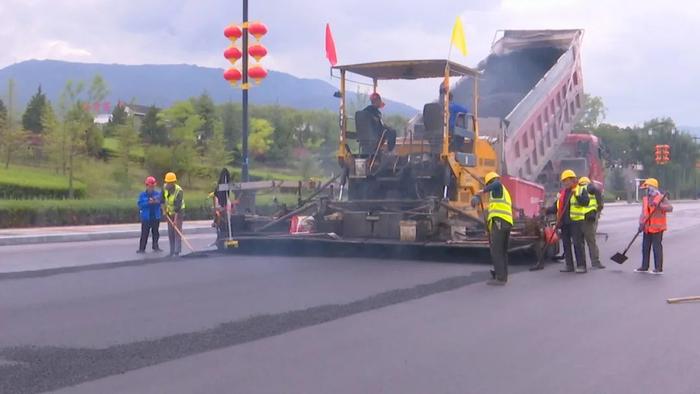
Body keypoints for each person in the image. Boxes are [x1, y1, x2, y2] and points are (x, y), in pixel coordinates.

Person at [539, 169, 589, 273]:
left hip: (576, 222)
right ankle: (569, 265)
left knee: (577, 244)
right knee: (566, 245)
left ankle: (581, 265)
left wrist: (577, 196)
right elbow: (556, 206)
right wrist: (546, 210)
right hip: (564, 222)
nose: (565, 182)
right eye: (564, 181)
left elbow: (585, 202)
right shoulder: (562, 193)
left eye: (567, 180)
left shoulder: (580, 190)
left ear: (573, 180)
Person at [471, 171, 513, 286]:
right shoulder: (500, 193)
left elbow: (496, 185)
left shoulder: (498, 186)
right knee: (502, 251)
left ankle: (500, 278)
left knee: (496, 251)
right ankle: (503, 275)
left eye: (488, 183)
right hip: (506, 223)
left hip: (499, 222)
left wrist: (482, 191)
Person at [634, 178, 673, 274]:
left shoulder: (661, 198)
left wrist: (659, 206)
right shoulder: (645, 199)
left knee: (657, 248)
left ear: (652, 188)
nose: (646, 191)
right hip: (647, 227)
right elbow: (643, 213)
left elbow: (670, 208)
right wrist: (641, 224)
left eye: (647, 188)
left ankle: (658, 268)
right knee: (645, 247)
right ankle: (644, 266)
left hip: (657, 228)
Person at [578, 176, 605, 269]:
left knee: (579, 242)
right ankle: (595, 262)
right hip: (588, 219)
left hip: (577, 218)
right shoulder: (591, 188)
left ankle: (581, 263)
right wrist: (597, 212)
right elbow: (600, 203)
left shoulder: (577, 189)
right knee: (591, 241)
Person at [137, 176, 162, 253]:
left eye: (153, 186)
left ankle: (155, 246)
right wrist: (148, 202)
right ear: (147, 185)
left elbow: (161, 202)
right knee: (144, 233)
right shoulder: (142, 195)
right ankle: (142, 248)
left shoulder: (157, 194)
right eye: (150, 186)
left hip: (155, 216)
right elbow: (140, 204)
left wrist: (156, 202)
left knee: (156, 233)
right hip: (146, 217)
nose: (151, 188)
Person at [163, 171, 185, 256]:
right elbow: (162, 200)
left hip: (178, 213)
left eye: (169, 183)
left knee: (177, 231)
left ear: (173, 183)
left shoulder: (179, 191)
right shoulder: (164, 188)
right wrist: (164, 210)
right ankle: (171, 251)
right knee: (170, 232)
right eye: (167, 182)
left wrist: (175, 220)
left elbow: (177, 207)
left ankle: (177, 251)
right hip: (169, 212)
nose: (168, 184)